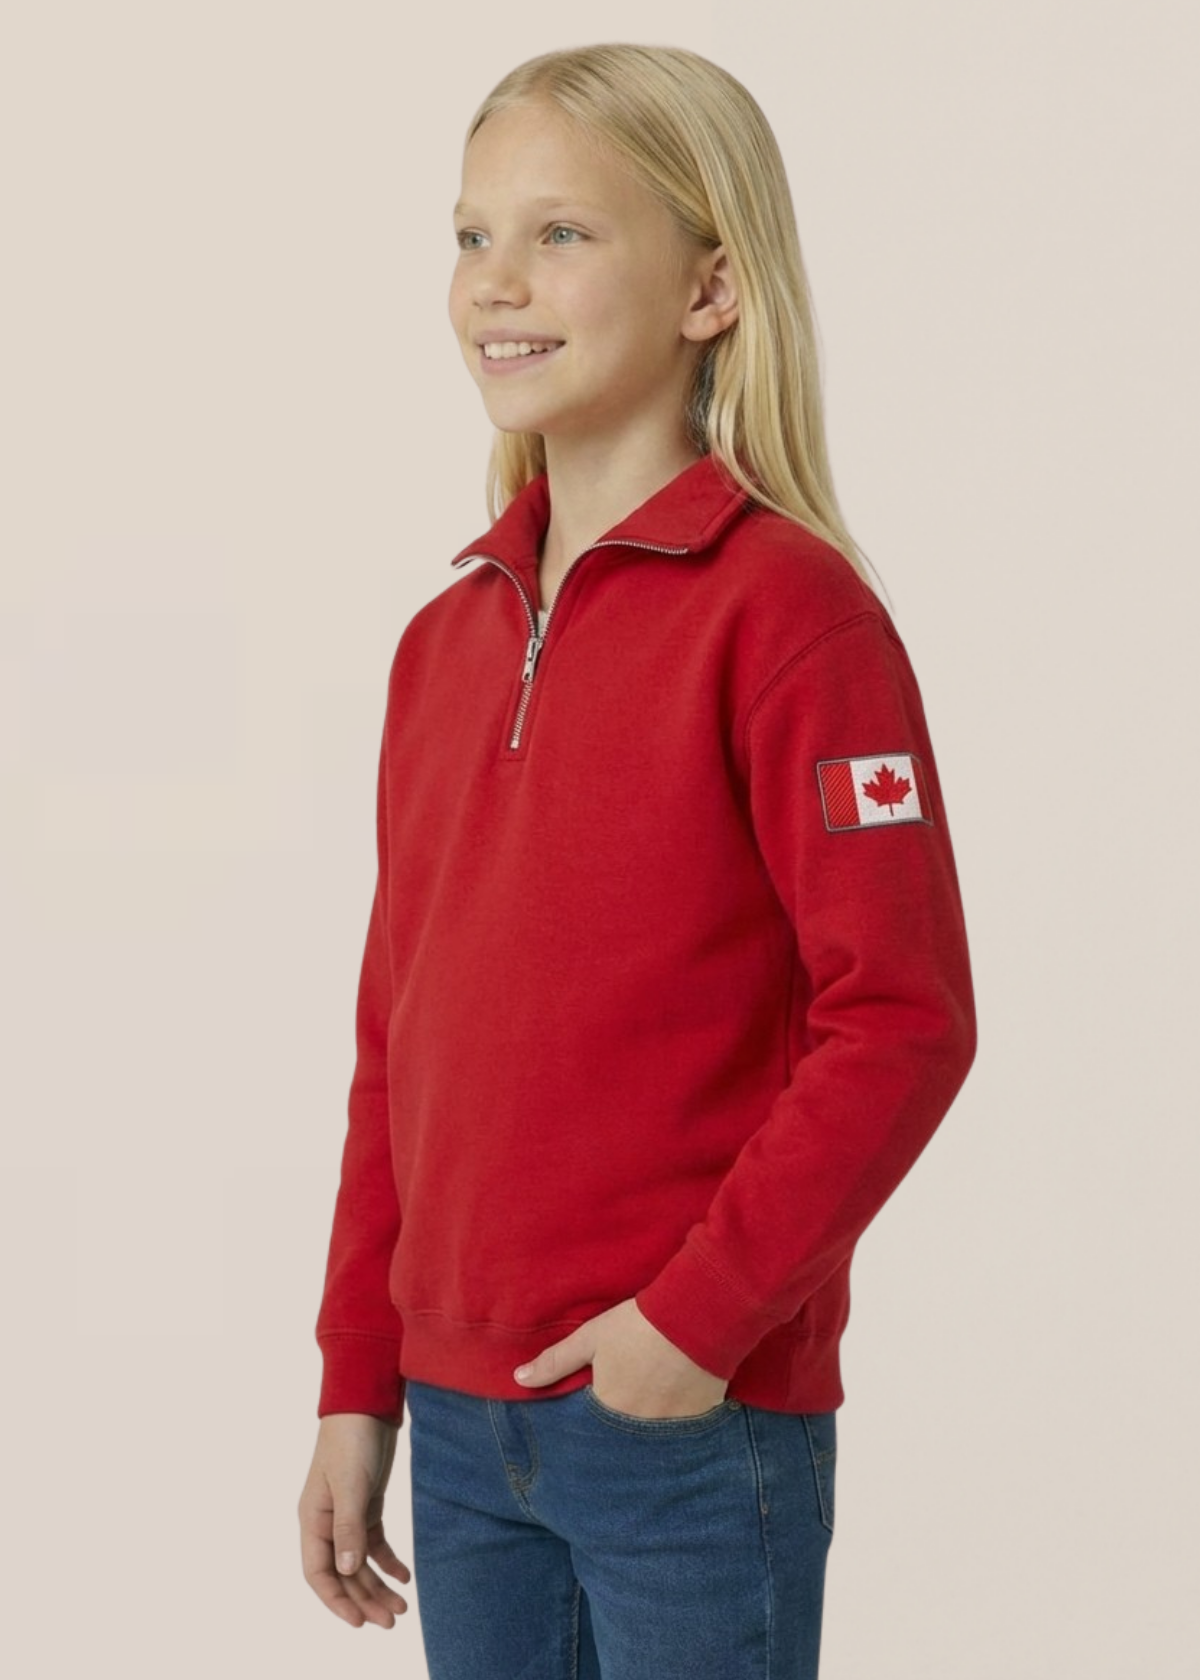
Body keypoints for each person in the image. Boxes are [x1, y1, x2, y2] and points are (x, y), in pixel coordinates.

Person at [297, 41, 976, 1680]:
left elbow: (901, 1023)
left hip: (687, 1418)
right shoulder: (441, 643)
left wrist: (695, 1322)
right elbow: (398, 1046)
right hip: (461, 1433)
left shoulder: (795, 618)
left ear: (712, 286)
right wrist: (353, 1378)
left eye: (562, 235)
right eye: (470, 238)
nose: (497, 285)